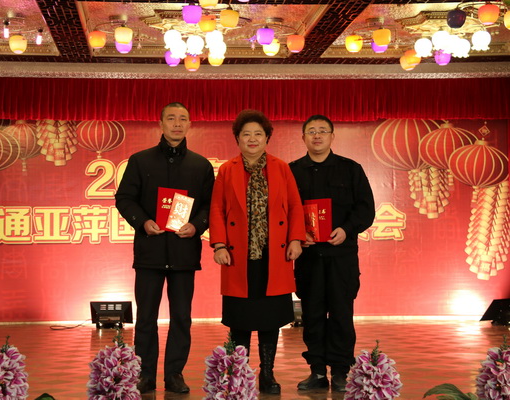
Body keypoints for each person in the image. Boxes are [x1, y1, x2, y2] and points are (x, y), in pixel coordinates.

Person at [115, 102, 215, 394]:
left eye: (183, 119)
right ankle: (145, 374)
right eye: (171, 118)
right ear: (160, 123)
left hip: (184, 252)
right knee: (146, 317)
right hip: (151, 251)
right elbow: (124, 198)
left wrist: (196, 225)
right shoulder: (140, 161)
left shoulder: (200, 165)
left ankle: (174, 374)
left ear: (190, 125)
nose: (177, 124)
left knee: (182, 317)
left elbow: (211, 205)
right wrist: (143, 222)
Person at [209, 109, 306, 395]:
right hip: (238, 256)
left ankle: (267, 373)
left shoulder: (281, 167)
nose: (252, 139)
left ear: (267, 138)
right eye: (246, 134)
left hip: (274, 255)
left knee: (270, 320)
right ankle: (239, 374)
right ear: (237, 139)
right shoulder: (227, 170)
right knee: (239, 320)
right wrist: (219, 244)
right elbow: (217, 209)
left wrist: (295, 239)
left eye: (258, 134)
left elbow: (295, 206)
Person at [289, 115, 375, 393]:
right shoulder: (292, 172)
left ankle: (340, 371)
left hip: (341, 257)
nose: (317, 136)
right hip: (309, 257)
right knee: (312, 315)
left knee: (341, 314)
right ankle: (316, 371)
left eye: (322, 131)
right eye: (311, 131)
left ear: (332, 136)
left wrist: (346, 229)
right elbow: (283, 210)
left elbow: (366, 209)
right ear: (303, 137)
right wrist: (297, 234)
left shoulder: (350, 169)